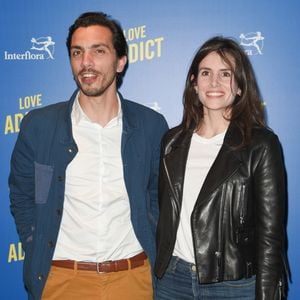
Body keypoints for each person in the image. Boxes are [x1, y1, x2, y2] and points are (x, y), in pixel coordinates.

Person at [9, 11, 168, 300]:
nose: (86, 62)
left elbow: (160, 197)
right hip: (61, 281)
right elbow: (22, 194)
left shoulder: (150, 126)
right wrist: (33, 242)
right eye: (77, 52)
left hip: (134, 281)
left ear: (120, 62)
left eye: (99, 51)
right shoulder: (39, 126)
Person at [154, 36, 289, 299]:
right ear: (194, 83)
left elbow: (270, 237)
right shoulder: (172, 142)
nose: (214, 83)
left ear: (239, 86)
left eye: (225, 74)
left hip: (233, 286)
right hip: (172, 281)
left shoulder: (261, 145)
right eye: (206, 73)